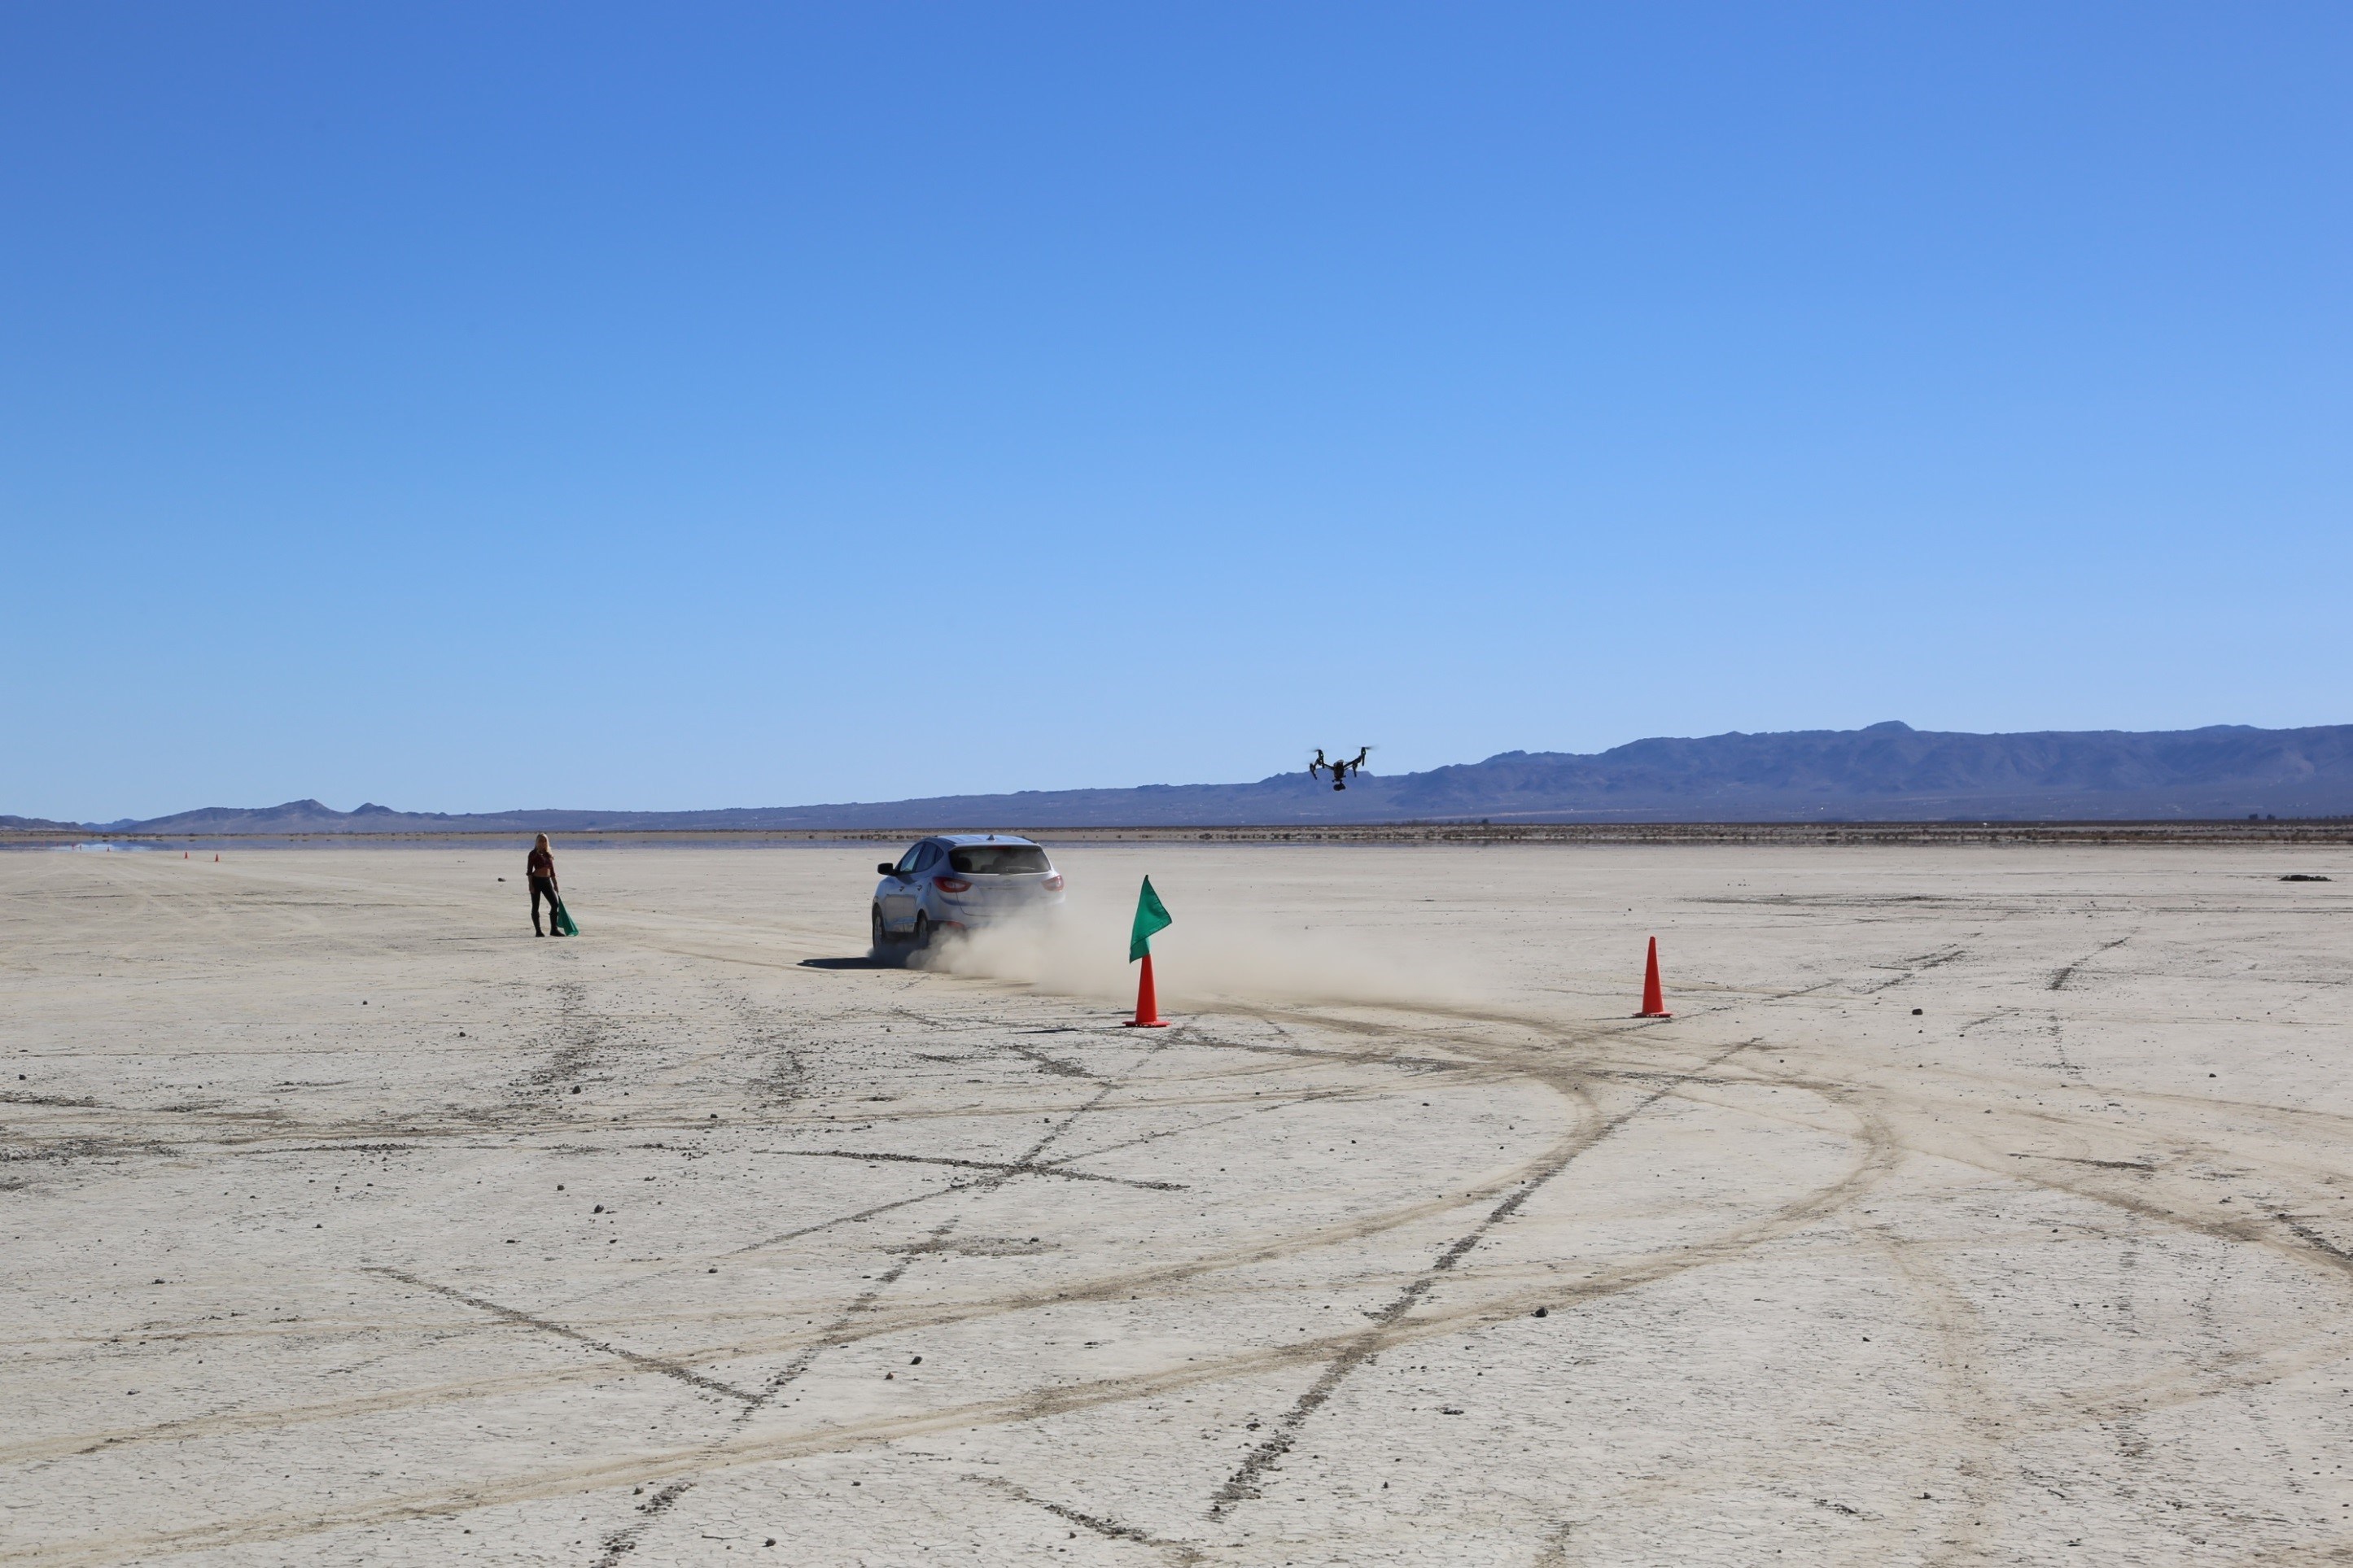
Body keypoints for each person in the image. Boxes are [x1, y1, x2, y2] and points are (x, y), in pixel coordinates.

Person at [527, 833, 562, 937]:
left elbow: (552, 871)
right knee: (535, 906)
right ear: (537, 842)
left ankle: (554, 929)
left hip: (547, 882)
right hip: (536, 882)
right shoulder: (533, 854)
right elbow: (529, 871)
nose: (543, 842)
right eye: (541, 840)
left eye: (545, 840)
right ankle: (538, 931)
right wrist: (530, 885)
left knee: (555, 904)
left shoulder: (548, 854)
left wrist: (555, 884)